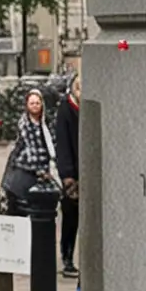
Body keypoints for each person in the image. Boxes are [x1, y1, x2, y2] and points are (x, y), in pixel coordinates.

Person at [5, 89, 56, 212]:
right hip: (24, 170)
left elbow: (52, 144)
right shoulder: (24, 124)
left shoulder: (46, 123)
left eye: (37, 103)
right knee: (21, 207)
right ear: (27, 105)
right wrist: (41, 171)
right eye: (32, 103)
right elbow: (32, 149)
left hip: (42, 171)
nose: (35, 106)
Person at [54, 72, 80, 277]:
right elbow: (62, 144)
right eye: (78, 87)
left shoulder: (89, 107)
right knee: (70, 218)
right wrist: (67, 175)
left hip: (89, 170)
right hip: (72, 172)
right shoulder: (66, 109)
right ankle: (67, 256)